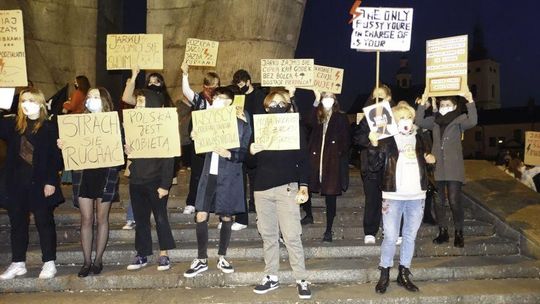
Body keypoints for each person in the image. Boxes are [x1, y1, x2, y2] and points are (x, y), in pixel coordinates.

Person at [249, 89, 312, 300]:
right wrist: (252, 151)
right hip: (262, 188)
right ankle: (271, 276)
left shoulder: (296, 128)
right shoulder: (259, 129)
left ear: (287, 104)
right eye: (272, 103)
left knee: (292, 235)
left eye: (280, 102)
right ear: (266, 107)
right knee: (268, 235)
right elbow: (249, 164)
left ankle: (301, 279)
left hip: (287, 187)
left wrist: (303, 185)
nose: (276, 106)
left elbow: (303, 159)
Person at [183, 87, 252, 277]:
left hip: (229, 175)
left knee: (226, 216)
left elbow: (245, 151)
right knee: (201, 215)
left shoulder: (241, 119)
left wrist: (230, 154)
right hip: (209, 173)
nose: (217, 101)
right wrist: (196, 137)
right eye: (215, 98)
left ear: (231, 101)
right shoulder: (206, 117)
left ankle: (222, 256)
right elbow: (201, 148)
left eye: (221, 98)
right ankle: (202, 259)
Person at [369, 101, 435, 293]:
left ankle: (404, 272)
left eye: (408, 117)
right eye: (401, 118)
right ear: (394, 121)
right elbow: (374, 166)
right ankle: (384, 272)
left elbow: (426, 164)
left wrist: (430, 161)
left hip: (417, 195)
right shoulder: (387, 140)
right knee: (390, 236)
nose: (405, 121)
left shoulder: (420, 139)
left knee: (409, 236)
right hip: (393, 195)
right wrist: (374, 145)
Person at [0, 88, 64, 280]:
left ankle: (49, 262)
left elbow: (56, 158)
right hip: (16, 182)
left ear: (40, 102)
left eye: (31, 100)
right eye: (23, 101)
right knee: (17, 223)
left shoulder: (50, 127)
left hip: (41, 182)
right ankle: (18, 262)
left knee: (44, 222)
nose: (26, 104)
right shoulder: (13, 124)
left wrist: (51, 181)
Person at [57, 87, 119, 277]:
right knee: (86, 218)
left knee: (102, 219)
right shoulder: (77, 122)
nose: (91, 100)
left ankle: (98, 260)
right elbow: (72, 148)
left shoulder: (113, 123)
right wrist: (64, 145)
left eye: (96, 97)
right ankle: (86, 261)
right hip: (83, 175)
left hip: (106, 174)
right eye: (89, 97)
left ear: (104, 100)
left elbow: (121, 149)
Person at [415, 89, 477, 248]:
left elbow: (473, 121)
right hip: (437, 167)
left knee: (455, 201)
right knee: (438, 201)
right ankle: (443, 232)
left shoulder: (460, 120)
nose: (444, 107)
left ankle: (459, 232)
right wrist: (423, 102)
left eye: (448, 104)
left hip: (454, 167)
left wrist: (470, 101)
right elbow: (419, 121)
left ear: (454, 106)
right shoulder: (434, 120)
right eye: (442, 104)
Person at [125, 89, 176, 271]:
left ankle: (164, 253)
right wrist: (127, 150)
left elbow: (170, 158)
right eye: (137, 101)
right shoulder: (132, 126)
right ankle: (142, 253)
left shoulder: (164, 127)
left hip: (156, 181)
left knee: (160, 218)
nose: (138, 104)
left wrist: (165, 184)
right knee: (141, 220)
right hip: (137, 180)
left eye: (141, 101)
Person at [304, 90, 350, 242]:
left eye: (331, 97)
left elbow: (346, 139)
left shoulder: (341, 117)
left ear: (335, 99)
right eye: (325, 97)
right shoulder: (317, 114)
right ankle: (308, 214)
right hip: (315, 158)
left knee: (331, 194)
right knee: (307, 185)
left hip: (332, 160)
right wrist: (316, 100)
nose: (328, 99)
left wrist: (338, 152)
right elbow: (308, 122)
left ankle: (329, 228)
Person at [353, 84, 394, 244]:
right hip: (370, 165)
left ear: (388, 98)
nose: (376, 100)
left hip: (389, 165)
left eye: (381, 97)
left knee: (390, 200)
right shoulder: (366, 119)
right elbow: (357, 139)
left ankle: (390, 230)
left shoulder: (394, 116)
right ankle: (370, 230)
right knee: (372, 198)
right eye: (374, 97)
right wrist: (370, 140)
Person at [180, 61, 220, 215]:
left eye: (216, 84)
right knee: (197, 173)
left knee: (212, 173)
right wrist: (185, 74)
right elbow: (186, 90)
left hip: (215, 142)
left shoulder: (220, 100)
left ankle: (211, 203)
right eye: (211, 84)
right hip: (199, 141)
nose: (213, 87)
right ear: (205, 84)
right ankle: (191, 202)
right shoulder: (199, 99)